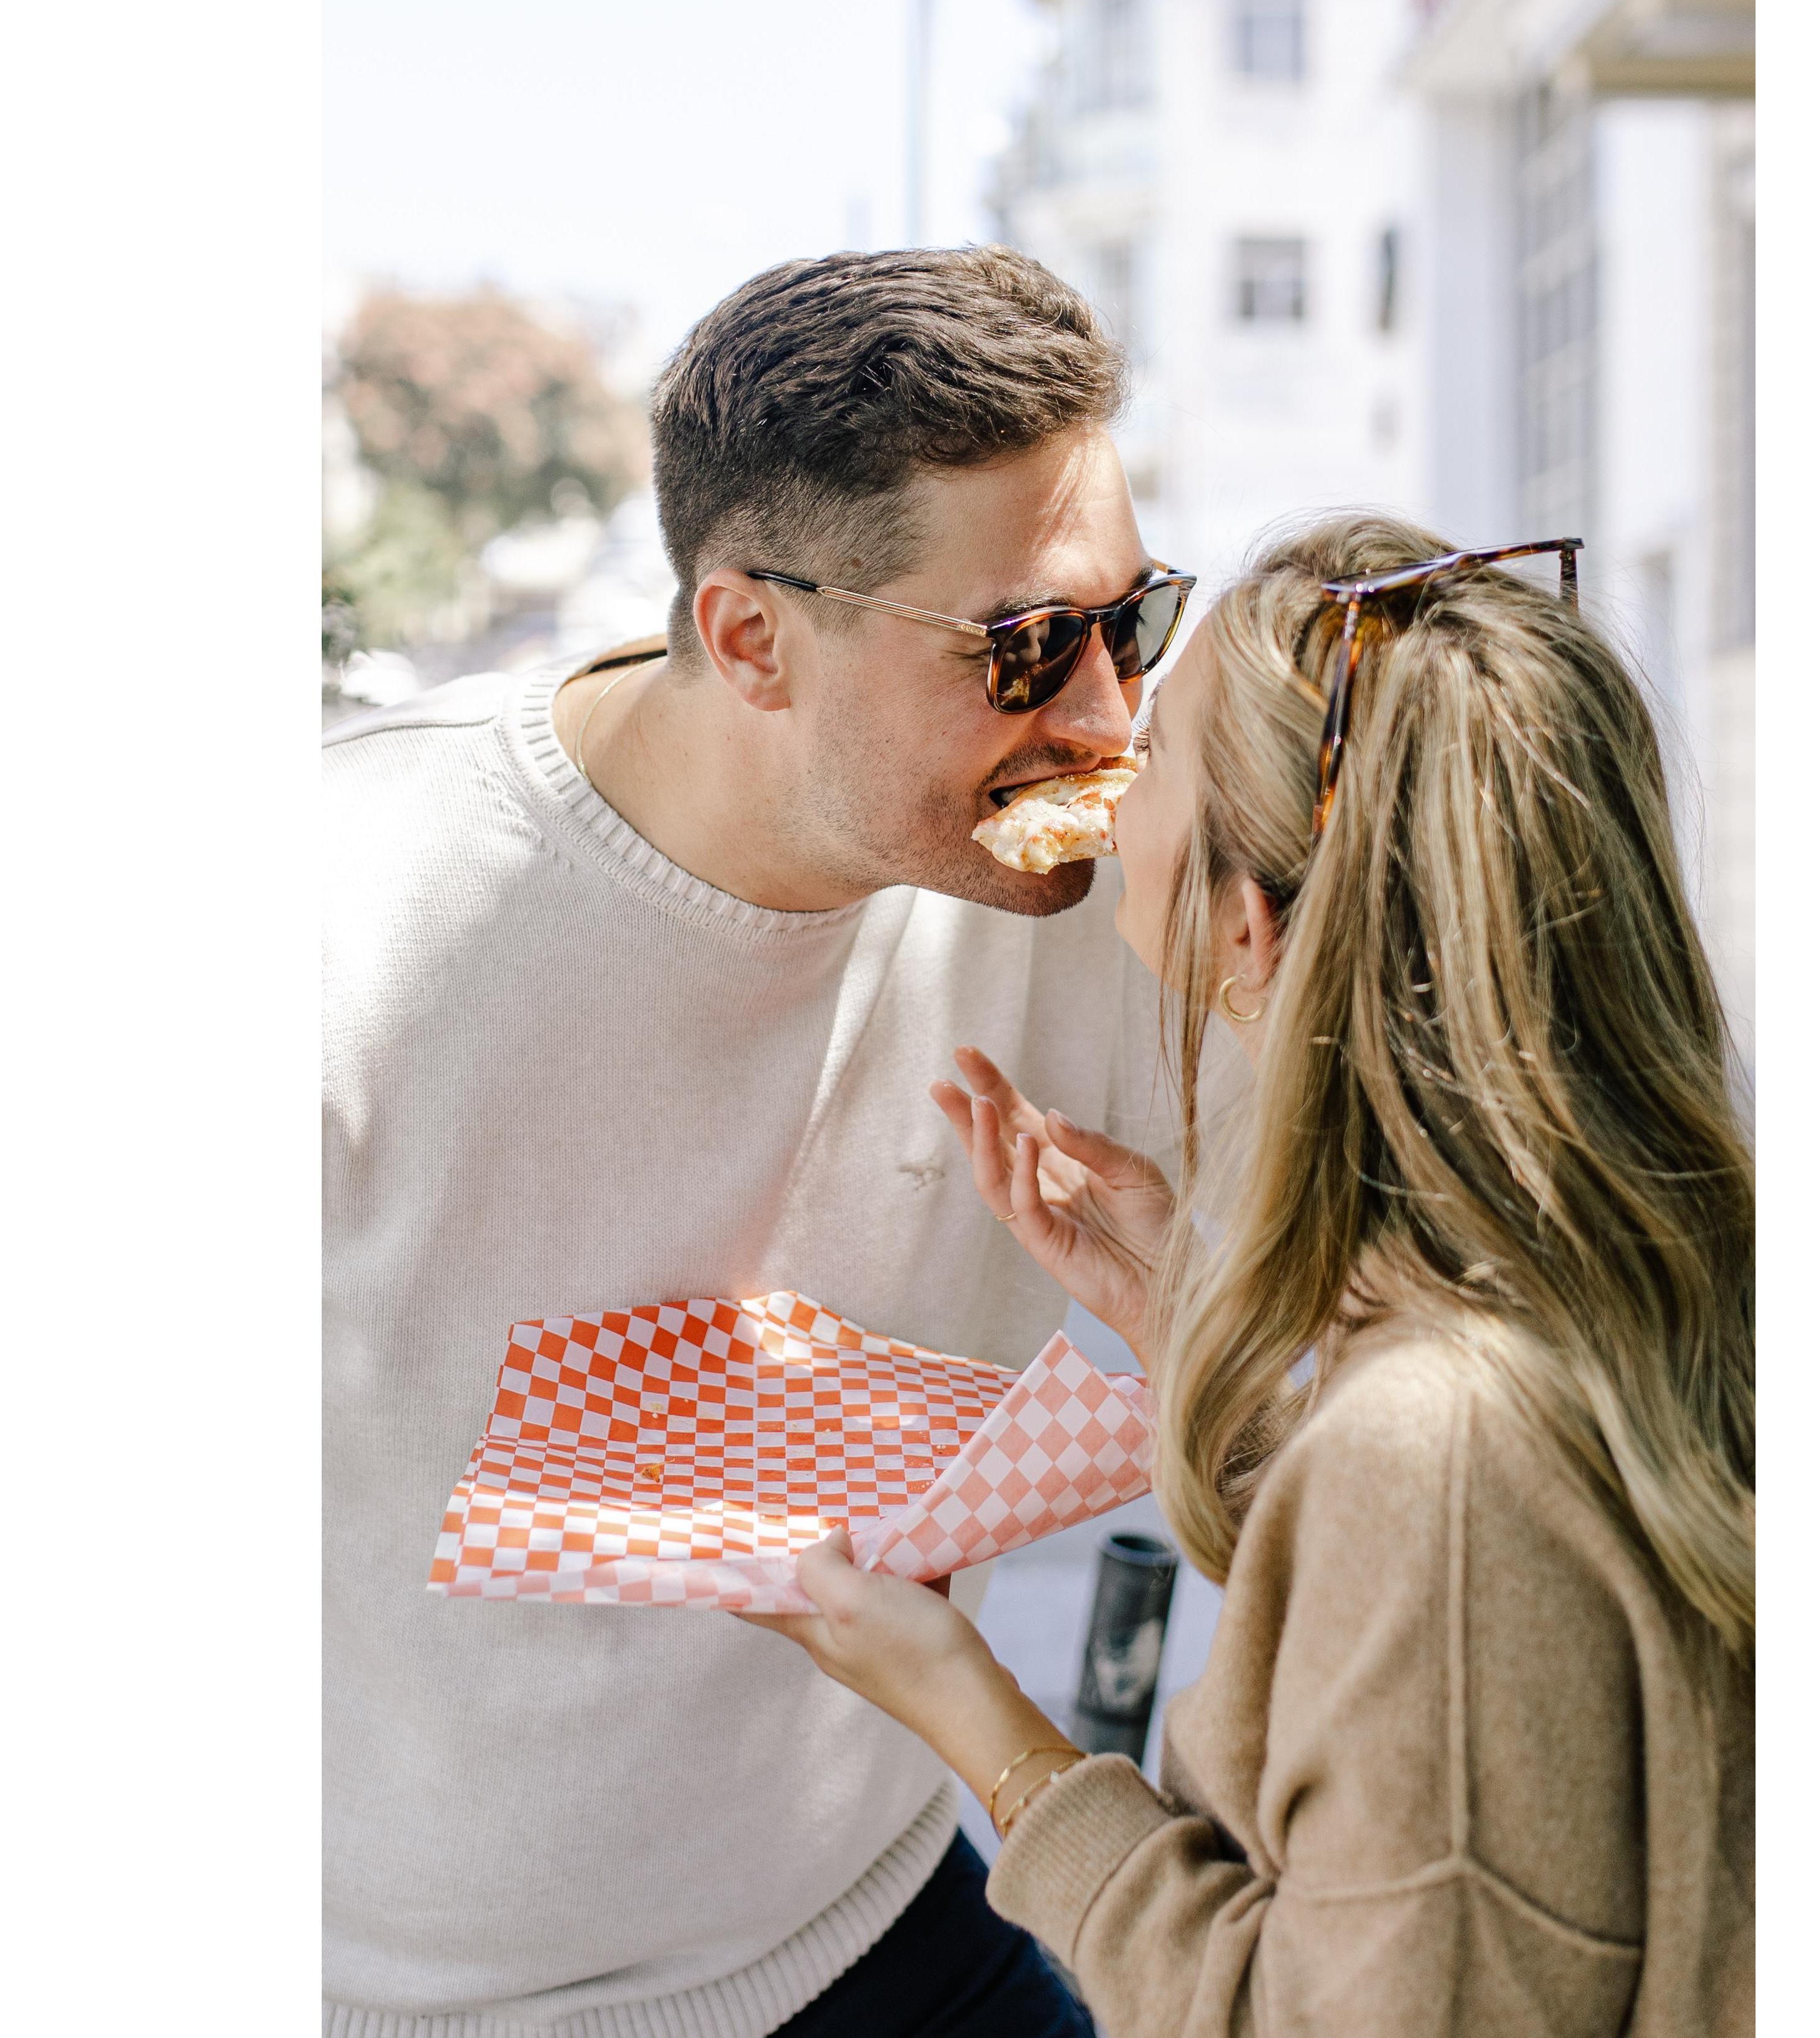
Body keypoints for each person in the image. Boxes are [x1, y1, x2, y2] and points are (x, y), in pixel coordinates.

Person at [322, 247, 1196, 2037]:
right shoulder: (334, 918)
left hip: (867, 1923)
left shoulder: (1101, 884)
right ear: (747, 635)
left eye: (1133, 616)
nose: (1110, 716)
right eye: (1026, 647)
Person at [750, 511, 1757, 2035]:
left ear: (1247, 920)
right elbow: (1502, 1659)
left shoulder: (1440, 1456)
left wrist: (975, 1716)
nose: (1099, 746)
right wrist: (1186, 1329)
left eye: (1153, 745)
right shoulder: (1659, 1259)